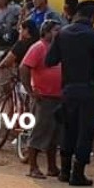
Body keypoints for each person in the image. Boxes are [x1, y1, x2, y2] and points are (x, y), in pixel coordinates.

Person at [46, 1, 94, 187]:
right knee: (86, 131)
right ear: (93, 16)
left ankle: (65, 171)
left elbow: (50, 60)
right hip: (89, 90)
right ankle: (78, 174)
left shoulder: (62, 34)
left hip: (68, 89)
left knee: (69, 128)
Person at [20, 20, 63, 179]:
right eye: (55, 30)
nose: (58, 33)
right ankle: (33, 166)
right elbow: (24, 68)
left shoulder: (59, 49)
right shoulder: (38, 47)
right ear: (46, 32)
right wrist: (31, 91)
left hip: (58, 96)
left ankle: (52, 167)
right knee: (39, 132)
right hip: (43, 97)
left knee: (54, 134)